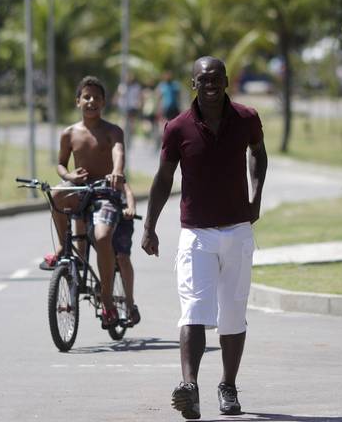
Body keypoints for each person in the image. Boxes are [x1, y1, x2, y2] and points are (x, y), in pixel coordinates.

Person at [141, 56, 267, 419]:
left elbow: (258, 154)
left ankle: (227, 385)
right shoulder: (178, 127)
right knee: (194, 309)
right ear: (192, 84)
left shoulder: (246, 118)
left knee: (232, 314)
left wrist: (255, 197)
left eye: (217, 78)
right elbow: (164, 178)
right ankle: (190, 387)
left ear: (226, 81)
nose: (210, 84)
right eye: (203, 79)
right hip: (195, 234)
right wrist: (149, 226)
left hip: (238, 232)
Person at [40, 76, 126, 329]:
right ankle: (62, 248)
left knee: (101, 238)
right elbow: (60, 163)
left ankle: (108, 300)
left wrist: (117, 172)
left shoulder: (113, 131)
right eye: (86, 97)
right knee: (56, 194)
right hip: (80, 189)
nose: (91, 102)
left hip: (104, 193)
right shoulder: (69, 133)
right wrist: (68, 176)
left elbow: (118, 153)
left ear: (104, 103)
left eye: (96, 98)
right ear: (78, 101)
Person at [112, 181, 141, 327]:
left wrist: (131, 208)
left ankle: (129, 303)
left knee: (122, 258)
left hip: (122, 218)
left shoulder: (114, 172)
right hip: (100, 218)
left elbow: (128, 191)